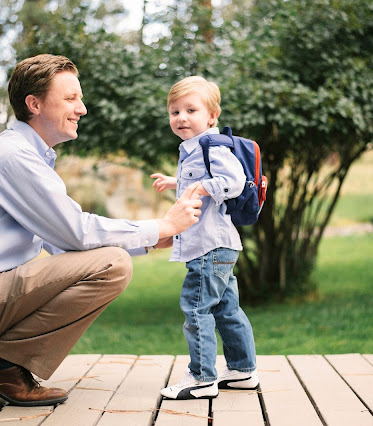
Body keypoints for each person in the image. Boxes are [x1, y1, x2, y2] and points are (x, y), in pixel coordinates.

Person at [0, 54, 203, 407]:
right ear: (35, 104)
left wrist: (150, 241)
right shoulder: (14, 157)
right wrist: (161, 226)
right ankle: (1, 366)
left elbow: (61, 245)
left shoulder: (23, 155)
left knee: (113, 260)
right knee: (114, 266)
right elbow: (77, 232)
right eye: (71, 98)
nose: (82, 109)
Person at [151, 76, 258, 400]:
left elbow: (234, 181)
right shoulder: (196, 148)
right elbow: (201, 177)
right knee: (227, 309)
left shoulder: (213, 146)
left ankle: (201, 378)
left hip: (209, 246)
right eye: (174, 112)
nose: (181, 117)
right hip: (219, 245)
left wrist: (201, 187)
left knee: (197, 309)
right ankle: (242, 370)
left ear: (212, 116)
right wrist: (175, 181)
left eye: (190, 110)